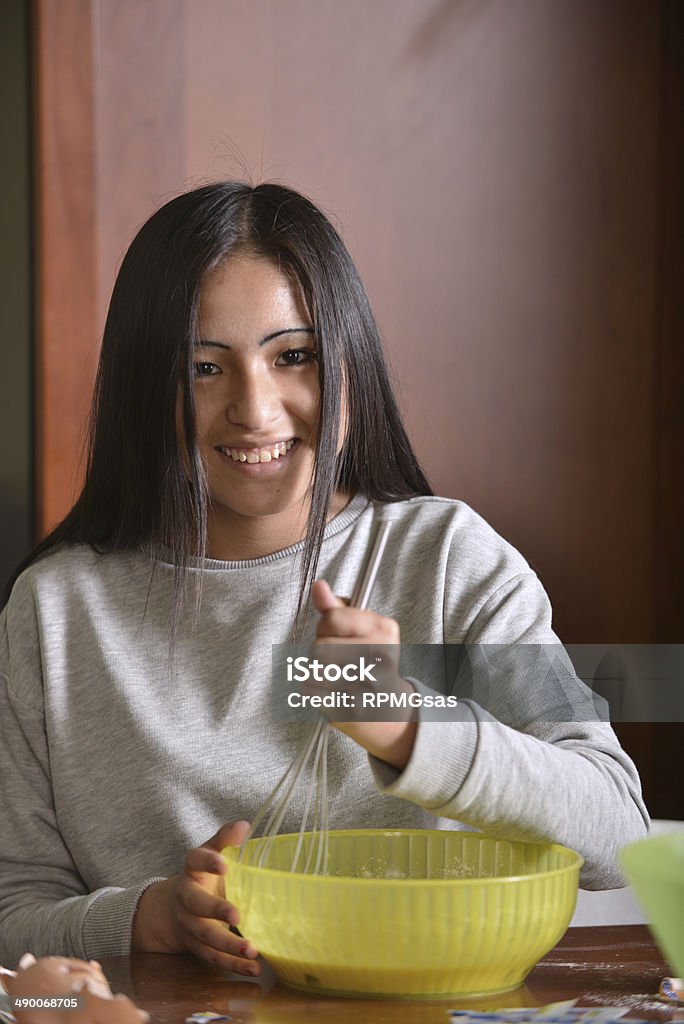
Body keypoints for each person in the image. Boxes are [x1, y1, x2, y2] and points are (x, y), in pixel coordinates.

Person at [0, 181, 648, 972]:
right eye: (204, 368)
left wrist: (404, 723)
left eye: (293, 356)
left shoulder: (451, 560)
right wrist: (149, 916)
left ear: (348, 357)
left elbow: (618, 830)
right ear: (146, 388)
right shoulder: (56, 610)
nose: (256, 409)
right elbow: (14, 912)